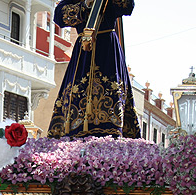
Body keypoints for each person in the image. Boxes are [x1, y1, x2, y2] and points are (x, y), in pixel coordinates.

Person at [46, 0, 141, 139]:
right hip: (83, 54)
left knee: (113, 94)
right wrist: (85, 4)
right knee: (76, 97)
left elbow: (127, 7)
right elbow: (59, 16)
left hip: (108, 51)